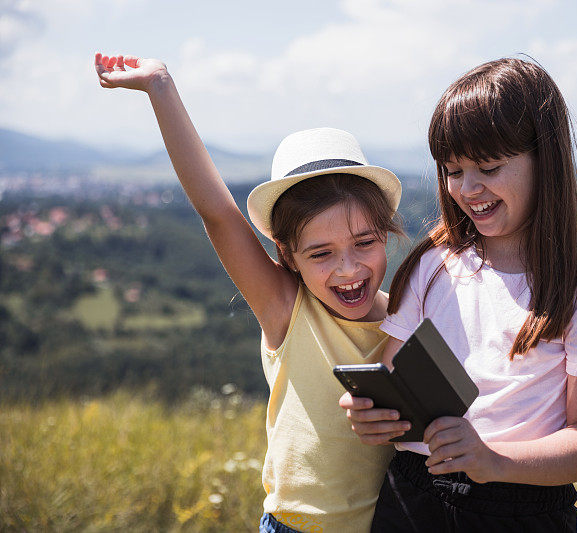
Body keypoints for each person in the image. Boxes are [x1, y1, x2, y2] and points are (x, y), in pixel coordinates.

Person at [94, 53, 404, 533]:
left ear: (385, 232)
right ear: (286, 256)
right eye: (320, 254)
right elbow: (217, 211)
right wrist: (160, 87)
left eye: (364, 242)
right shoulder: (287, 309)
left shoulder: (407, 319)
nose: (349, 269)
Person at [340, 57, 577, 532]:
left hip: (519, 507)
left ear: (546, 160)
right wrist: (377, 415)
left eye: (489, 167)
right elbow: (397, 377)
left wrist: (493, 459)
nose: (468, 188)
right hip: (412, 494)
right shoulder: (432, 266)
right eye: (452, 171)